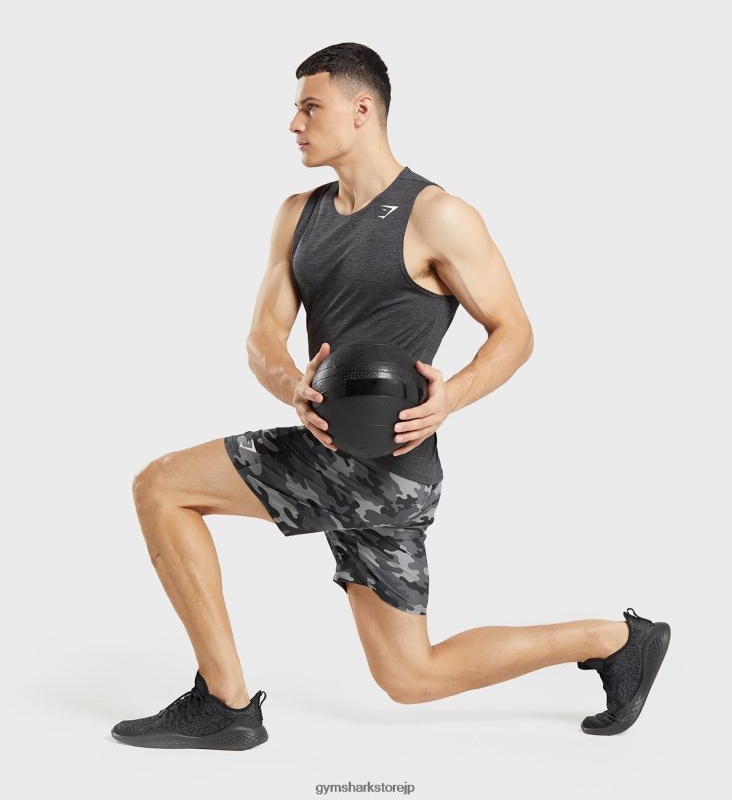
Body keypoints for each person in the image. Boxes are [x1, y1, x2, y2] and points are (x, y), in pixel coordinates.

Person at [111, 42, 670, 750]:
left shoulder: (437, 214)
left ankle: (225, 703)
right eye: (295, 109)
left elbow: (515, 330)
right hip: (344, 454)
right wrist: (293, 386)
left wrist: (450, 397)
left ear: (362, 109)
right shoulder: (298, 214)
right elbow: (262, 336)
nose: (294, 123)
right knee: (411, 676)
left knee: (161, 486)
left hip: (387, 466)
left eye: (310, 107)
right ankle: (619, 639)